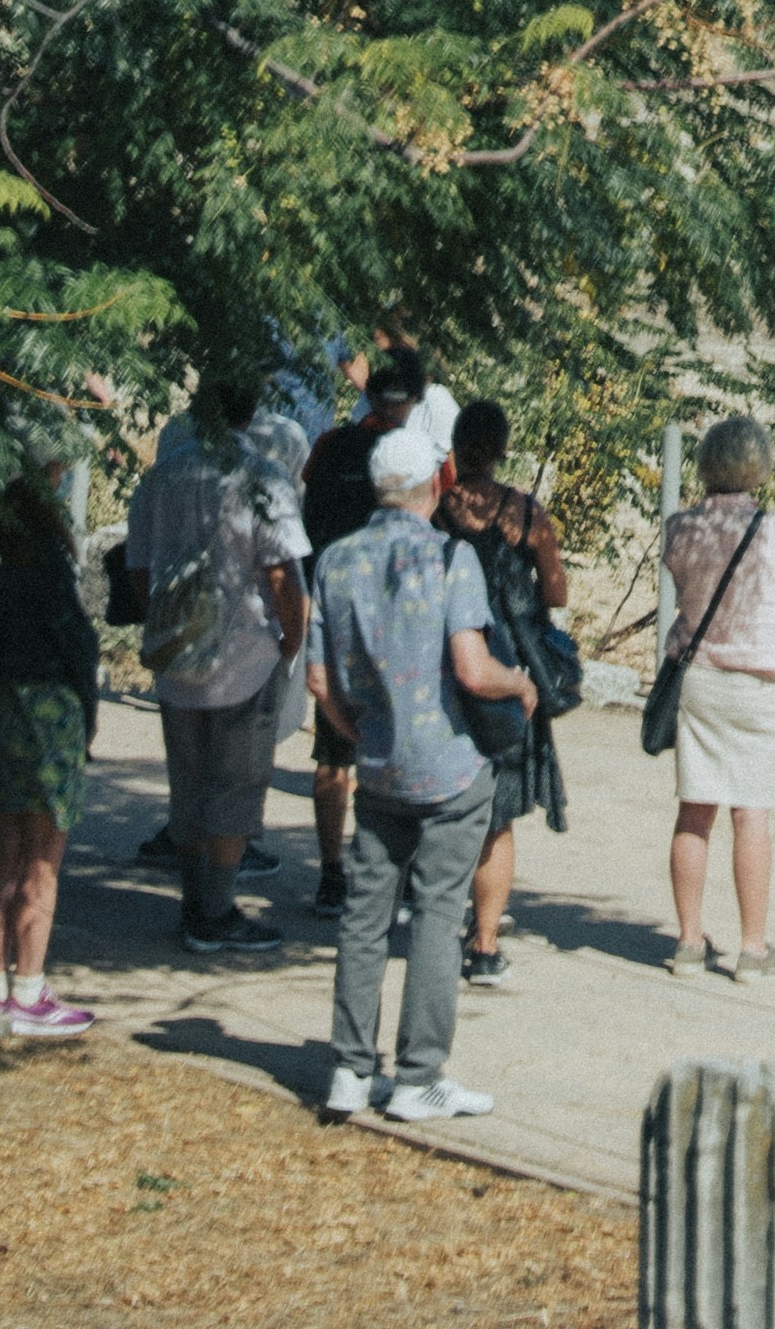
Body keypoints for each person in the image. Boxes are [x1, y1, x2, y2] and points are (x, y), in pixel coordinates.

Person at [309, 394, 527, 1126]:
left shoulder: (336, 561)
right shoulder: (448, 555)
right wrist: (519, 684)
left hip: (379, 766)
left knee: (365, 916)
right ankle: (419, 1073)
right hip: (448, 767)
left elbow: (320, 680)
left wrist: (363, 728)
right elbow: (471, 667)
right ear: (435, 483)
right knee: (437, 915)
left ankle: (348, 1069)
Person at [123, 380, 307, 945]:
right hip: (246, 653)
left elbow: (136, 568)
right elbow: (282, 574)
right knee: (236, 785)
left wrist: (162, 624)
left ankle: (193, 903)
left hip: (177, 652)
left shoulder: (163, 475)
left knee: (188, 784)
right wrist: (290, 642)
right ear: (251, 413)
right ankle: (217, 910)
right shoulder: (263, 478)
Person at [657, 413, 775, 988]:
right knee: (752, 813)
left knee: (694, 808)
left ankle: (689, 941)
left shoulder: (681, 529)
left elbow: (682, 581)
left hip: (699, 676)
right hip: (759, 684)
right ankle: (752, 948)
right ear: (758, 465)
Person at [0, 465, 103, 1035]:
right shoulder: (45, 553)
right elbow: (76, 639)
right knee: (45, 858)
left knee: (6, 844)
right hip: (49, 704)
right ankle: (30, 988)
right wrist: (90, 710)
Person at [441, 404, 566, 991]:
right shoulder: (525, 512)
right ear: (502, 447)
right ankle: (485, 944)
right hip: (510, 670)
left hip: (448, 661)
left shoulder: (438, 509)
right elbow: (558, 591)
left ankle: (435, 923)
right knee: (499, 816)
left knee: (442, 796)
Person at [298, 346, 423, 909]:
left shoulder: (330, 445)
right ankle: (392, 873)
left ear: (368, 393)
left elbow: (310, 517)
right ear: (415, 400)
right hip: (401, 618)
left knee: (333, 753)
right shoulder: (422, 458)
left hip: (341, 606)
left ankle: (329, 871)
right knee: (400, 742)